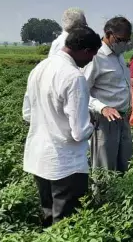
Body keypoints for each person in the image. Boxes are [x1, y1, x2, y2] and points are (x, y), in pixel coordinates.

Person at [22, 26, 101, 226]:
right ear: (84, 50)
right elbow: (79, 132)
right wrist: (93, 121)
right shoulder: (74, 77)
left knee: (48, 217)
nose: (91, 60)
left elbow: (27, 114)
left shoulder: (40, 68)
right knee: (66, 224)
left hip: (40, 158)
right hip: (66, 165)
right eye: (92, 54)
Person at [83, 16, 133, 173]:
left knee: (124, 164)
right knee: (105, 169)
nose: (124, 44)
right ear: (109, 34)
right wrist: (102, 107)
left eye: (127, 40)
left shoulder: (118, 55)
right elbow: (81, 92)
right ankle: (102, 198)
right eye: (121, 39)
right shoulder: (95, 57)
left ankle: (120, 197)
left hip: (123, 118)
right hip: (104, 121)